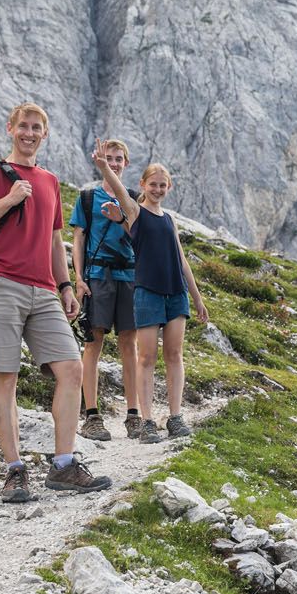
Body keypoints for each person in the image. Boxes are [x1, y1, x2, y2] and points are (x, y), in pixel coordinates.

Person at [0, 104, 112, 502]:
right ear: (10, 129)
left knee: (72, 368)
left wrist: (64, 286)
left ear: (46, 134)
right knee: (5, 375)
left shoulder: (50, 181)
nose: (28, 132)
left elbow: (53, 239)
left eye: (36, 128)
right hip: (1, 282)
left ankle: (63, 465)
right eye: (22, 126)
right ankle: (14, 471)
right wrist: (7, 201)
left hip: (43, 290)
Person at [92, 142, 207, 442]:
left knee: (174, 354)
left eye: (163, 185)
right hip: (147, 292)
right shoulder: (134, 213)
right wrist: (105, 167)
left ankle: (175, 417)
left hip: (176, 293)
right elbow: (118, 190)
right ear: (142, 185)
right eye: (152, 184)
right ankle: (146, 422)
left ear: (169, 187)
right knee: (146, 358)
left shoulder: (169, 220)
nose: (157, 189)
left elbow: (181, 259)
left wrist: (197, 298)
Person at [70, 139, 141, 441]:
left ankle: (134, 415)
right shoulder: (86, 198)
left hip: (129, 275)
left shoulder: (135, 198)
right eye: (108, 158)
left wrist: (121, 217)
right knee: (93, 343)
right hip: (97, 274)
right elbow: (78, 238)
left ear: (126, 163)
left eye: (118, 159)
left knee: (129, 344)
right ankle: (92, 415)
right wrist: (78, 277)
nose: (113, 163)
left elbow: (139, 233)